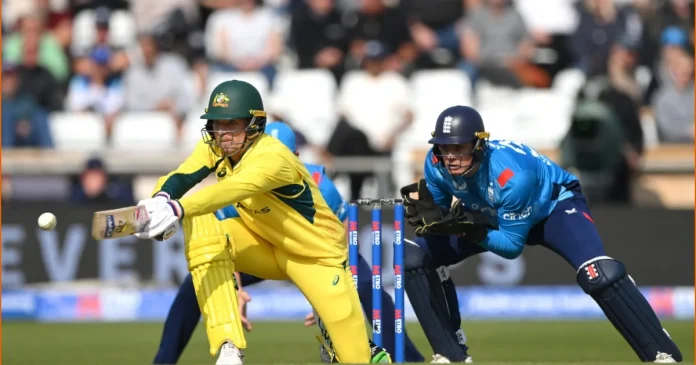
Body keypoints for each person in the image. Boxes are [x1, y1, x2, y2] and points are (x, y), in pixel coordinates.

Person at [398, 105, 682, 364]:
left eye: (459, 147)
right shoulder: (435, 164)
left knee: (598, 274)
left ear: (478, 144)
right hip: (492, 210)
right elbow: (438, 215)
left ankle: (661, 351)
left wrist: (463, 227)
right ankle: (450, 356)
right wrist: (437, 220)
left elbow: (511, 246)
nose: (450, 157)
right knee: (413, 255)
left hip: (553, 207)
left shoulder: (512, 176)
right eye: (444, 148)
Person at [135, 80, 373, 365]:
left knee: (356, 357)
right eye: (216, 124)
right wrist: (159, 200)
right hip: (262, 244)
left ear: (254, 124)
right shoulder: (216, 145)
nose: (222, 134)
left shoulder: (272, 157)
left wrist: (176, 208)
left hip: (316, 258)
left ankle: (336, 342)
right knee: (202, 228)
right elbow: (184, 174)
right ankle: (229, 347)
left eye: (231, 124)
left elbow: (229, 191)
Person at [153, 121, 424, 364]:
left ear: (295, 157)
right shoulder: (240, 178)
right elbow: (222, 239)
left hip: (312, 252)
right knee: (196, 281)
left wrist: (320, 290)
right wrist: (232, 287)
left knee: (367, 285)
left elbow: (341, 235)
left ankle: (405, 357)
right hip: (263, 247)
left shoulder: (318, 183)